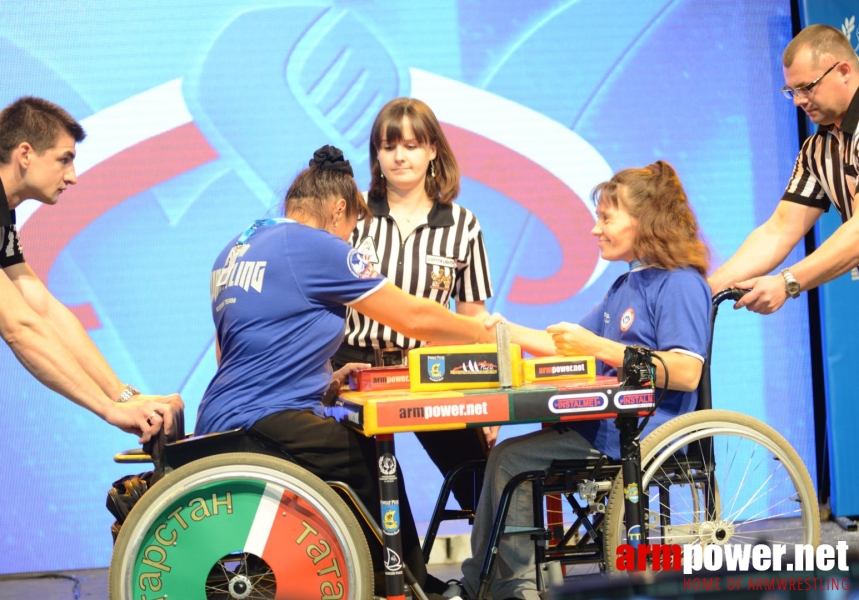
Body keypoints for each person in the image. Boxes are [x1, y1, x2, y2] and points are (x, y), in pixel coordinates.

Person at [195, 145, 498, 596]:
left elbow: (237, 351)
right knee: (373, 456)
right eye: (354, 227)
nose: (351, 238)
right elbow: (411, 316)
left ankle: (392, 579)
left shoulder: (236, 249)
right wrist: (476, 332)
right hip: (265, 422)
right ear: (340, 209)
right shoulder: (315, 246)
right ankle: (411, 587)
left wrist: (321, 378)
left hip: (219, 417)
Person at [447, 162, 711, 600]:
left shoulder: (681, 284)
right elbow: (563, 344)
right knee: (501, 458)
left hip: (642, 434)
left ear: (645, 221)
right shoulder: (627, 285)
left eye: (606, 218)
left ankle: (514, 589)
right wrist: (499, 329)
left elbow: (686, 372)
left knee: (512, 461)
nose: (595, 230)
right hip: (607, 427)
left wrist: (598, 347)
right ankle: (482, 584)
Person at [0, 97, 183, 442]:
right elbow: (19, 327)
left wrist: (123, 396)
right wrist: (110, 411)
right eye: (64, 160)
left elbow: (44, 309)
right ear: (25, 154)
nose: (73, 177)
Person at [331, 98, 495, 512]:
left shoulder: (463, 225)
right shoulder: (351, 212)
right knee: (364, 489)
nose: (399, 156)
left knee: (482, 482)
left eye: (411, 145)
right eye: (388, 146)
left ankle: (503, 573)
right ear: (376, 154)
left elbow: (472, 320)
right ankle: (401, 575)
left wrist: (488, 398)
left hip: (429, 371)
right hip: (352, 371)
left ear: (433, 149)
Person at [707, 24, 859, 309]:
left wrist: (787, 281)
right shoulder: (817, 150)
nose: (799, 101)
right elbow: (778, 230)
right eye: (792, 91)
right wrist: (708, 290)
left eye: (807, 88)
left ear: (844, 72)